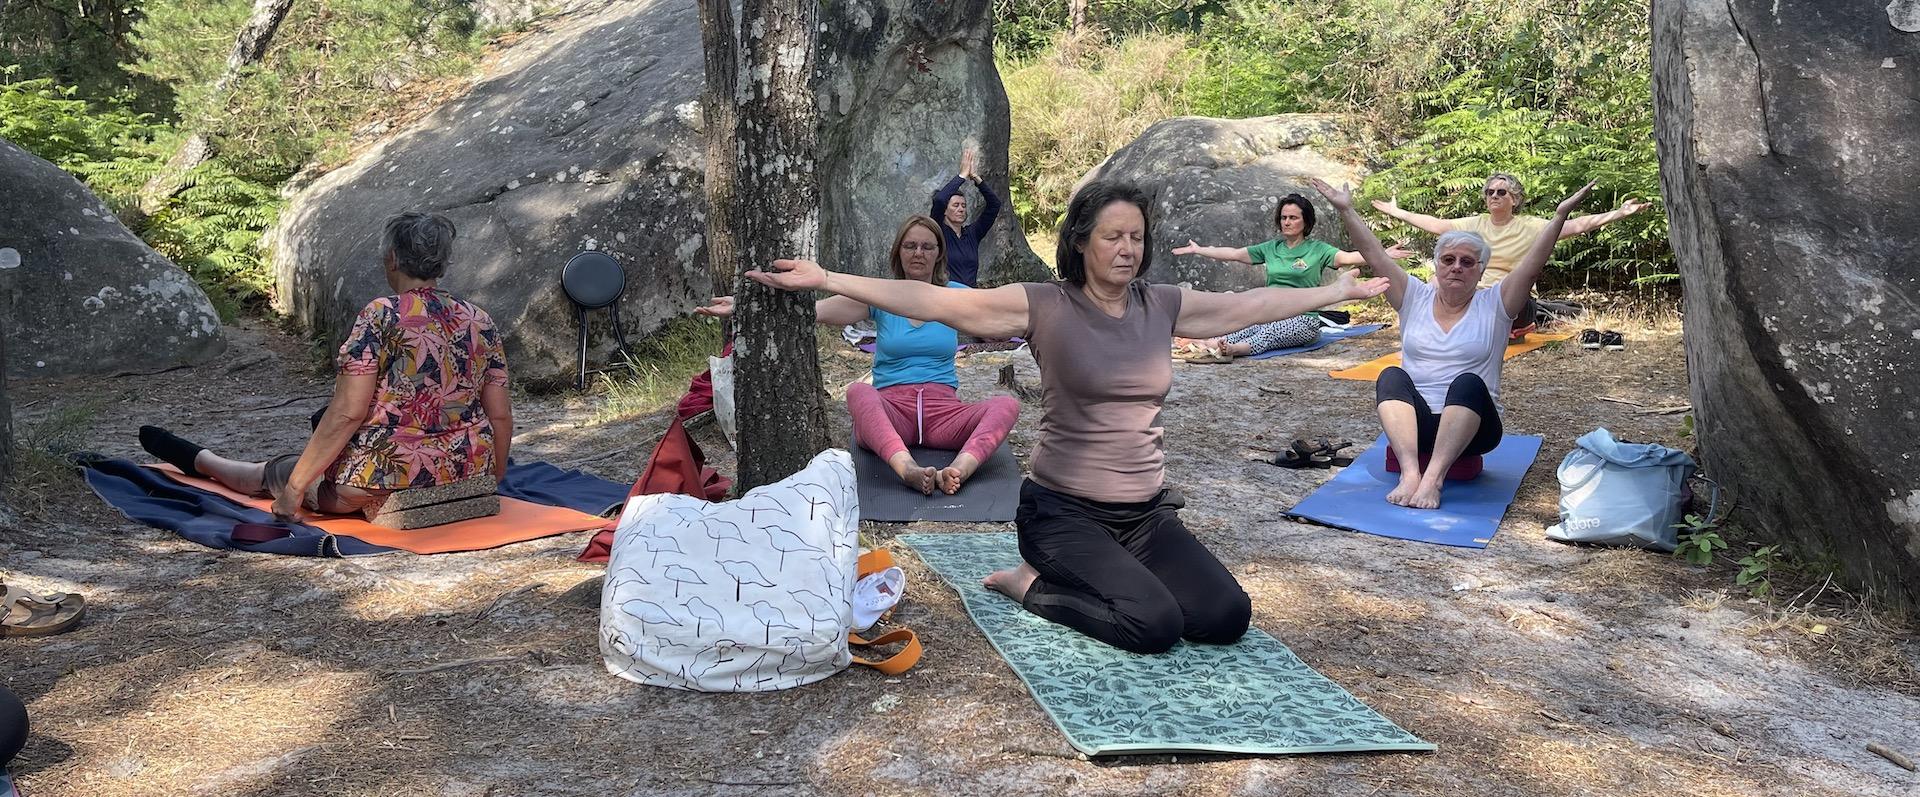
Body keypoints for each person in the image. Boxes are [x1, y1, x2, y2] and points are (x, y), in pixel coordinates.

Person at [744, 181, 1389, 654]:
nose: (1127, 249)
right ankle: (1030, 585)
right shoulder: (1043, 306)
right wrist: (832, 277)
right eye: (1113, 236)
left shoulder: (1160, 305)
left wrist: (1336, 291)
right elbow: (930, 298)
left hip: (1143, 516)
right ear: (1081, 242)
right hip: (1063, 513)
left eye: (1136, 237)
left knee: (1224, 616)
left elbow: (1250, 303)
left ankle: (1107, 576)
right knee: (1155, 624)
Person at [138, 212, 513, 523]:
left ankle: (205, 461)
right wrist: (489, 477)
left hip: (383, 474)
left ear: (393, 260)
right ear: (441, 263)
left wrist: (293, 493)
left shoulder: (382, 315)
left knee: (273, 471)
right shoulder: (478, 319)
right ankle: (204, 459)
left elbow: (349, 412)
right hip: (465, 469)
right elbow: (499, 416)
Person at [1315, 176, 1595, 510]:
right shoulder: (1413, 296)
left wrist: (1559, 216)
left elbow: (1531, 267)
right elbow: (1375, 256)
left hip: (1474, 427)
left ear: (1481, 270)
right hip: (1415, 422)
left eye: (1467, 262)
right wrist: (1347, 210)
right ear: (1437, 264)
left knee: (1467, 383)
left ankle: (1433, 479)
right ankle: (1410, 474)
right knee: (1391, 375)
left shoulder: (1496, 303)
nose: (1457, 268)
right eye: (1448, 260)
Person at [697, 215, 1018, 497]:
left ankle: (959, 470)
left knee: (1006, 405)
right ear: (898, 253)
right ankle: (907, 470)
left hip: (944, 413)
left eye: (927, 246)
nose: (918, 253)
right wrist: (744, 307)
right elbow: (816, 311)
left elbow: (1003, 316)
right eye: (910, 246)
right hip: (892, 412)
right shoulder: (879, 297)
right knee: (858, 391)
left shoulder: (957, 296)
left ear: (939, 254)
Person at [1370, 172, 1646, 333]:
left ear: (1514, 199)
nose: (1494, 196)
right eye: (1490, 191)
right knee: (1436, 283)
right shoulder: (1474, 224)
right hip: (1473, 293)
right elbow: (1436, 225)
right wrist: (1397, 212)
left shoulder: (1530, 226)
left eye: (1501, 192)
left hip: (1509, 299)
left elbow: (1574, 225)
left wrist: (1618, 213)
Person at [1169, 193, 1413, 357]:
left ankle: (1230, 349)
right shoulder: (1271, 248)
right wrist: (1199, 249)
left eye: (1293, 217)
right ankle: (1210, 341)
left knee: (1269, 333)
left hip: (1303, 318)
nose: (1287, 222)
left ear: (1305, 222)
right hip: (1269, 313)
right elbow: (1233, 253)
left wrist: (1384, 254)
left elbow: (1351, 257)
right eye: (1284, 217)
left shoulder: (1318, 250)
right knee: (1243, 323)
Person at [929, 146, 1001, 287]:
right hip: (946, 296)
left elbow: (995, 204)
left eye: (963, 205)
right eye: (955, 205)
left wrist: (975, 178)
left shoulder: (972, 234)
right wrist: (962, 175)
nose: (961, 209)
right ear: (944, 210)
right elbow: (939, 200)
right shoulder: (937, 231)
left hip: (970, 297)